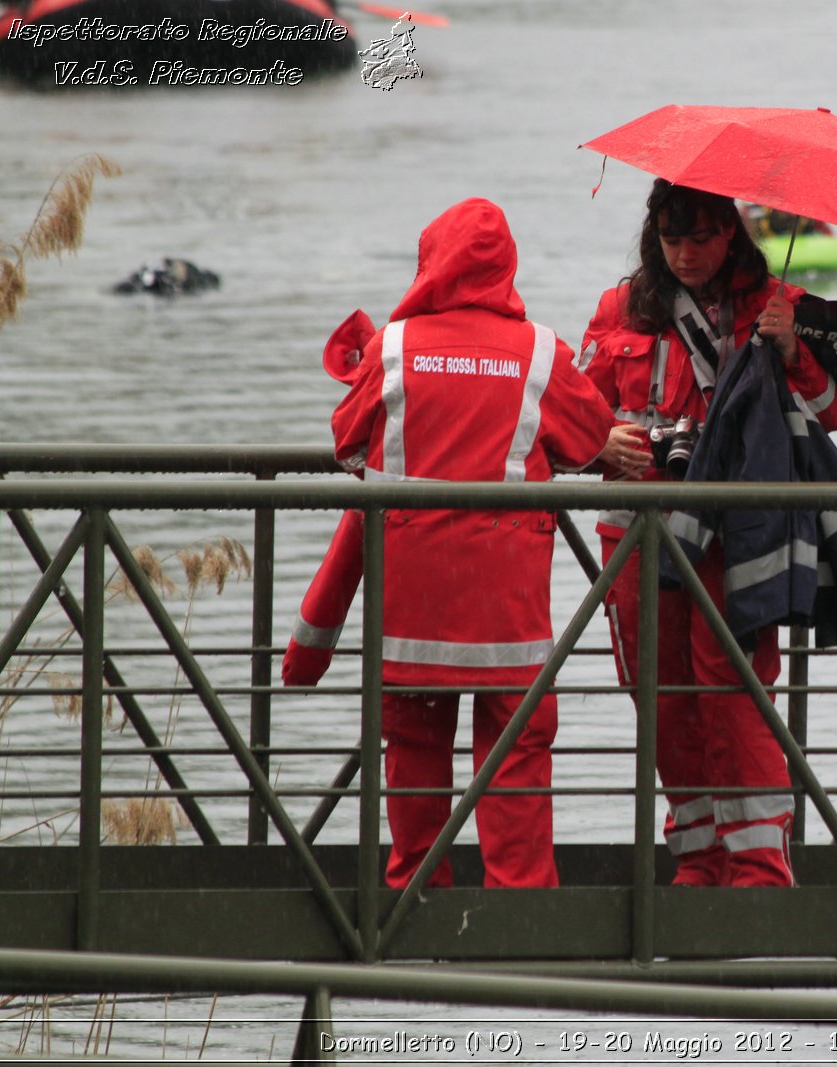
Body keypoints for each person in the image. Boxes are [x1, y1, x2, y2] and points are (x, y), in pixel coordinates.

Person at [281, 197, 631, 890]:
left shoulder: (391, 348)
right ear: (507, 268)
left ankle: (415, 889)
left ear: (429, 260)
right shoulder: (539, 352)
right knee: (517, 755)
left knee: (412, 750)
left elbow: (347, 442)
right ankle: (522, 905)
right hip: (508, 622)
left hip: (411, 618)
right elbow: (590, 438)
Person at [579, 180, 837, 887]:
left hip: (738, 534)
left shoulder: (773, 305)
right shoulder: (619, 307)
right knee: (660, 694)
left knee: (732, 688)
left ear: (731, 232)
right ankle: (698, 856)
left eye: (701, 238)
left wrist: (793, 351)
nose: (687, 253)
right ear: (654, 236)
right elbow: (572, 417)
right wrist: (605, 441)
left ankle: (759, 862)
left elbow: (829, 414)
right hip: (638, 534)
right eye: (672, 239)